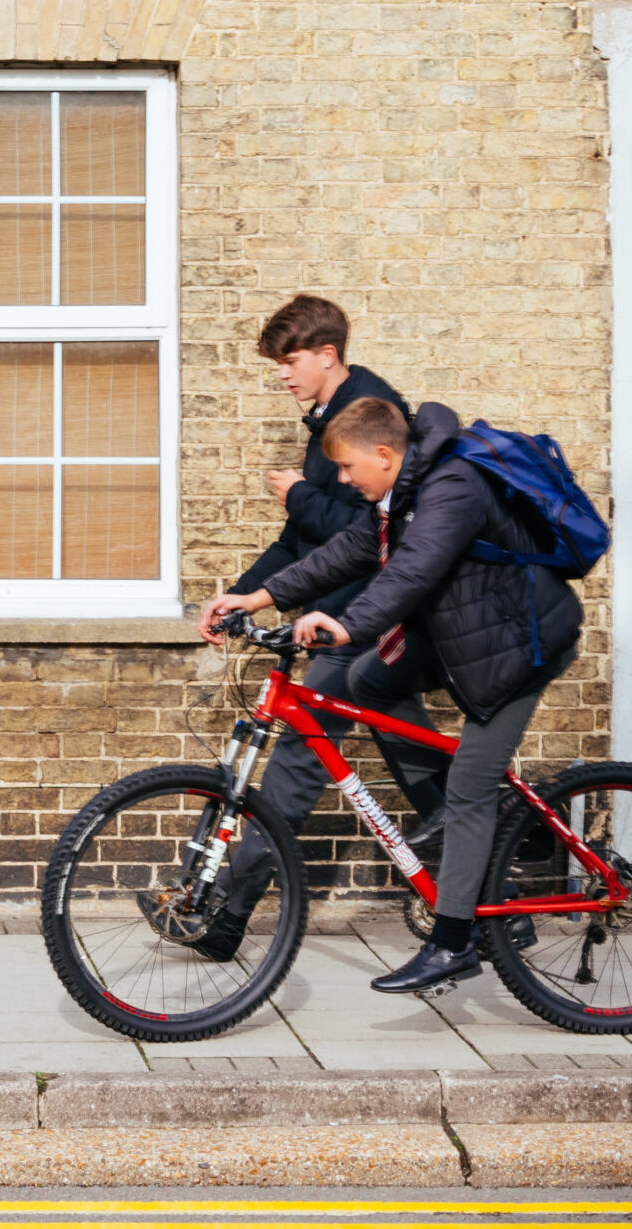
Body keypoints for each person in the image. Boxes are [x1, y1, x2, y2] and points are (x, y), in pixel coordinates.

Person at [205, 395, 582, 994]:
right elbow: (349, 551)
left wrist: (350, 625)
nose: (345, 480)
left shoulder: (452, 486)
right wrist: (256, 597)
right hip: (464, 638)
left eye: (350, 468)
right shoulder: (401, 491)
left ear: (384, 454)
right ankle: (462, 813)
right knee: (367, 680)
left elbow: (414, 571)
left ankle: (453, 940)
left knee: (471, 786)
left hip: (518, 648)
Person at [184, 297, 434, 959]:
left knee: (295, 761)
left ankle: (226, 917)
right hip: (353, 616)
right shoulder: (330, 414)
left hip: (363, 617)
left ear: (327, 355)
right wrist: (243, 596)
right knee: (414, 752)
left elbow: (363, 535)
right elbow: (302, 539)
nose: (282, 375)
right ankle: (489, 876)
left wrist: (299, 493)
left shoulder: (369, 411)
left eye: (290, 361)